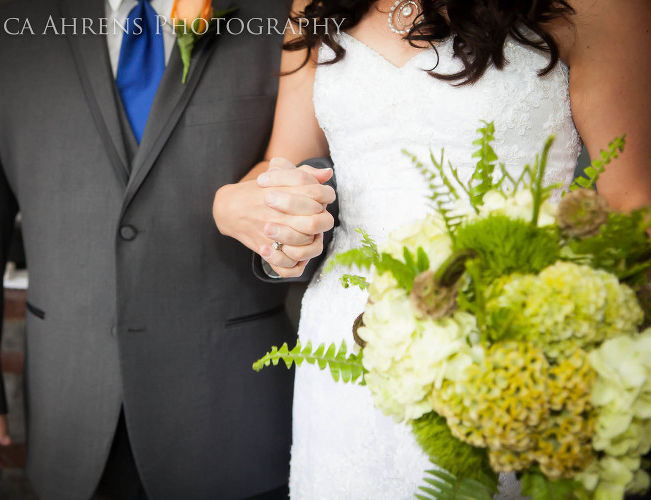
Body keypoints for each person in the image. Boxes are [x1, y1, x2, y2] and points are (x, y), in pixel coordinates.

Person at [213, 0, 651, 497]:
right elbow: (282, 163)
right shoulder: (315, 4)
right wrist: (237, 207)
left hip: (511, 343)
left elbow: (634, 203)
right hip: (343, 346)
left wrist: (549, 340)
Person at [0, 0, 331, 499]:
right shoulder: (12, 29)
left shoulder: (283, 14)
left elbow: (322, 190)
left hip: (233, 406)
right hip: (70, 402)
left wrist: (289, 237)